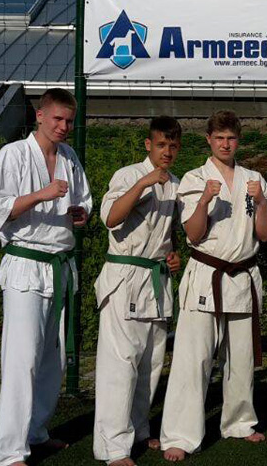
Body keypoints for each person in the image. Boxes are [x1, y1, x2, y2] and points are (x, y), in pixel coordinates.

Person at [160, 110, 267, 461]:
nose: (226, 145)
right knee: (193, 359)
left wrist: (261, 202)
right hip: (206, 274)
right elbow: (194, 233)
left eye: (231, 138)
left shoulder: (254, 179)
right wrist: (204, 201)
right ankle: (180, 434)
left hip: (243, 275)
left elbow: (265, 234)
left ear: (238, 140)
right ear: (209, 140)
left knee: (241, 358)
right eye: (220, 138)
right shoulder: (195, 178)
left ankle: (239, 422)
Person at [0, 88, 93, 466]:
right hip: (25, 265)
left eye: (69, 120)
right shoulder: (13, 155)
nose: (63, 126)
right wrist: (41, 194)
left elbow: (84, 202)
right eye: (57, 119)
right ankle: (8, 453)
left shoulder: (69, 158)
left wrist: (81, 215)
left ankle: (35, 432)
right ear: (40, 116)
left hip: (59, 266)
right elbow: (1, 209)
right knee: (22, 360)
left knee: (53, 359)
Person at [93, 116, 186, 466]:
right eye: (161, 145)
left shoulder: (175, 183)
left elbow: (167, 233)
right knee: (121, 364)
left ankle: (138, 429)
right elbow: (111, 218)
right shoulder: (128, 175)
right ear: (148, 145)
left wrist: (172, 255)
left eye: (173, 146)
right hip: (124, 278)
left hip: (156, 279)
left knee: (150, 362)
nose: (167, 152)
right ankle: (113, 448)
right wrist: (144, 182)